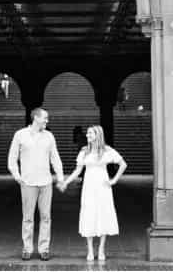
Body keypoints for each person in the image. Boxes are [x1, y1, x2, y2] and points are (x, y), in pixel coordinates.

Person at [61, 125, 128, 261]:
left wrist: (114, 180)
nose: (87, 136)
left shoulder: (107, 150)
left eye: (90, 134)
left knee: (104, 213)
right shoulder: (84, 151)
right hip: (89, 187)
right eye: (87, 134)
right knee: (89, 214)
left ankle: (101, 249)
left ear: (97, 135)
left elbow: (123, 164)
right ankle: (90, 250)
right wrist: (66, 182)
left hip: (103, 187)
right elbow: (77, 171)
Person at [7, 107, 64, 261]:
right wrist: (17, 176)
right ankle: (27, 248)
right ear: (36, 118)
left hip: (46, 182)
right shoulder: (20, 135)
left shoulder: (49, 136)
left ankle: (44, 249)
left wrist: (60, 176)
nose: (47, 121)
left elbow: (55, 158)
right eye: (45, 118)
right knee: (28, 217)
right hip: (28, 182)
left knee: (46, 217)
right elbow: (12, 157)